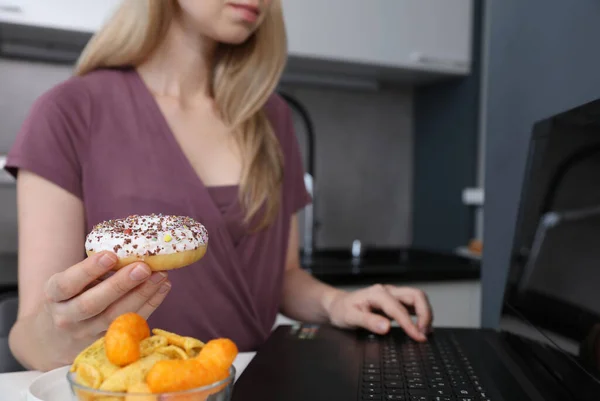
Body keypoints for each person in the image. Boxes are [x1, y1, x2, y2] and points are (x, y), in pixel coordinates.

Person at [5, 0, 433, 372]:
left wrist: (336, 304)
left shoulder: (270, 119)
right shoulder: (68, 111)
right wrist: (57, 335)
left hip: (253, 382)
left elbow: (283, 276)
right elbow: (30, 336)